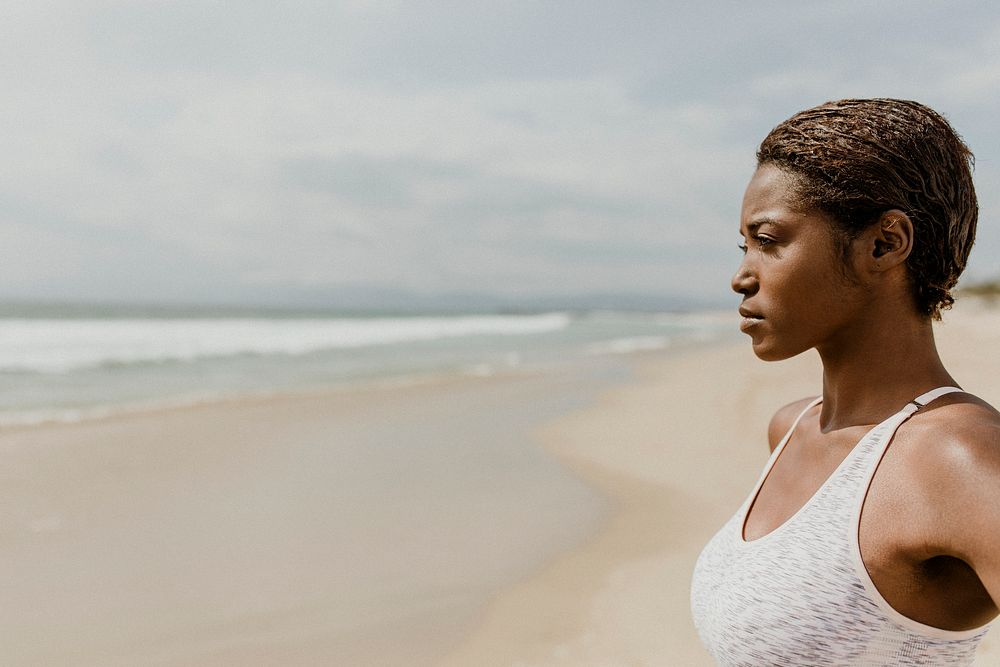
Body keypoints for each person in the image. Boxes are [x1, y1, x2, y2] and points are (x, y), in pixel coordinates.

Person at [689, 99, 999, 666]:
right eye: (745, 246)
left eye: (770, 240)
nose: (741, 277)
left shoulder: (962, 458)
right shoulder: (792, 428)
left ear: (884, 244)